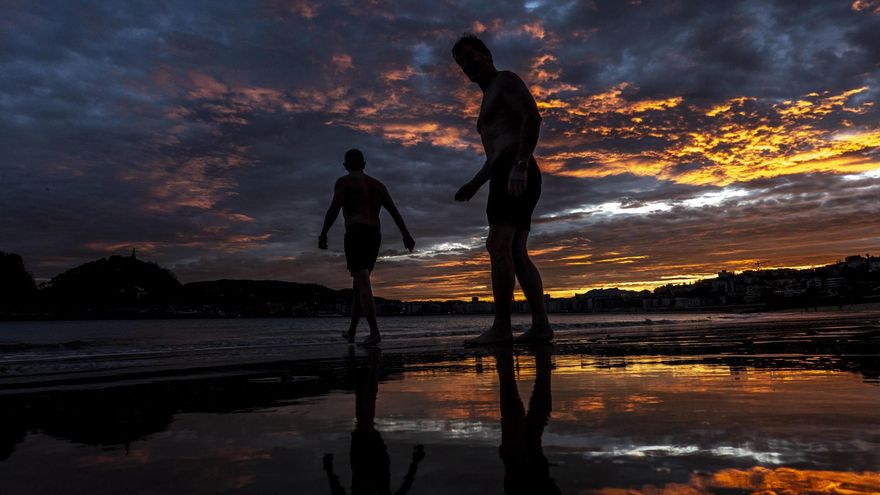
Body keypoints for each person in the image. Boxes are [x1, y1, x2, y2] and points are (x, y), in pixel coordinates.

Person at [452, 34, 553, 345]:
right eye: (461, 62)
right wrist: (474, 183)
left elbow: (531, 118)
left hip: (516, 168)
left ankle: (501, 327)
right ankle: (540, 325)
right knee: (515, 251)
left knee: (497, 244)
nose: (467, 64)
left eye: (471, 56)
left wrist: (520, 164)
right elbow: (493, 157)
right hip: (504, 170)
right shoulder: (486, 101)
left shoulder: (505, 81)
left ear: (487, 55)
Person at [319, 149, 415, 347]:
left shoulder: (344, 182)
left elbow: (334, 208)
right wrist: (406, 235)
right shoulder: (377, 185)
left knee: (362, 279)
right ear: (364, 164)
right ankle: (352, 331)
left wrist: (323, 233)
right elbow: (394, 211)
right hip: (374, 234)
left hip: (356, 231)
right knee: (359, 283)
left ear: (345, 165)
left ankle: (374, 332)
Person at [322, 348, 426, 494]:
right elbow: (405, 487)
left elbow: (337, 491)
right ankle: (369, 363)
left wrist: (329, 470)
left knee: (363, 416)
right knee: (365, 417)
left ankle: (369, 363)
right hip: (374, 464)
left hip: (363, 464)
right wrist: (415, 462)